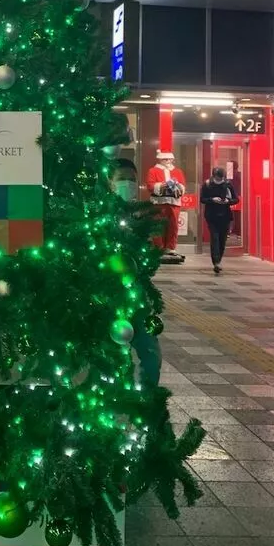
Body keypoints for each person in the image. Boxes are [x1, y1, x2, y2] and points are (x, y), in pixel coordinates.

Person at [110, 157, 162, 387]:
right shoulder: (100, 218)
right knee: (115, 356)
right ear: (110, 182)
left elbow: (149, 258)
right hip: (108, 298)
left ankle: (147, 400)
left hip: (138, 298)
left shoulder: (141, 215)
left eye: (132, 179)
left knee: (151, 355)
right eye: (122, 179)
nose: (128, 184)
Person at [146, 150, 186, 264]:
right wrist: (162, 186)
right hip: (159, 203)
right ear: (160, 159)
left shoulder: (178, 171)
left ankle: (170, 247)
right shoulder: (153, 171)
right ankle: (158, 246)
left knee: (173, 226)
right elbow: (150, 185)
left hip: (174, 203)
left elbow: (182, 185)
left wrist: (178, 188)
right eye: (165, 159)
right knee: (158, 225)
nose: (168, 161)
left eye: (170, 159)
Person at [200, 166, 238, 274]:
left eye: (220, 178)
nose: (219, 180)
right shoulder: (207, 184)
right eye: (217, 178)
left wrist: (228, 201)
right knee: (215, 238)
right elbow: (202, 199)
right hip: (211, 215)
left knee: (222, 240)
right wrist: (212, 199)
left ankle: (219, 259)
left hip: (225, 215)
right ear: (213, 176)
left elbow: (236, 199)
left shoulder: (228, 184)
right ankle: (216, 262)